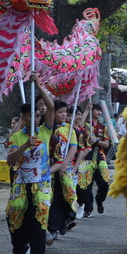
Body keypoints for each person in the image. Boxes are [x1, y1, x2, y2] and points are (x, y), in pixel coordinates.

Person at [5, 82, 57, 254]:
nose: (36, 118)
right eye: (31, 115)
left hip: (41, 184)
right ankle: (21, 249)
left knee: (39, 221)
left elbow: (50, 106)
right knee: (14, 217)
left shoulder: (45, 131)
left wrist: (38, 84)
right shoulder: (16, 137)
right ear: (24, 118)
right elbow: (10, 160)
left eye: (37, 115)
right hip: (20, 184)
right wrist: (26, 145)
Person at [46, 100, 78, 245]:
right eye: (60, 112)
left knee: (66, 198)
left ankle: (65, 220)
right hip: (49, 168)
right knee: (52, 200)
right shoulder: (47, 128)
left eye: (65, 112)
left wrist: (65, 163)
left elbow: (73, 148)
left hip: (64, 169)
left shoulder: (69, 129)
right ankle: (52, 229)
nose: (64, 115)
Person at [86, 104, 111, 215]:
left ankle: (99, 200)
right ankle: (88, 209)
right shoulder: (85, 125)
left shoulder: (103, 127)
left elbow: (106, 144)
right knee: (87, 185)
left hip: (100, 158)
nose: (99, 113)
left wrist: (96, 141)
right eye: (97, 110)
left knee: (104, 183)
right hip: (86, 158)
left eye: (100, 111)